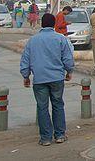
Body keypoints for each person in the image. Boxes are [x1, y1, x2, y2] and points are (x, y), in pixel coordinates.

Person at [20, 13, 74, 146]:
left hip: (39, 79)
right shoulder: (60, 39)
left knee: (42, 107)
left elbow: (25, 60)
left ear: (42, 24)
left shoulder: (32, 40)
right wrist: (69, 72)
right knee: (58, 105)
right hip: (57, 78)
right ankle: (60, 135)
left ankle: (45, 138)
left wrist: (26, 76)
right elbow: (67, 59)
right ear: (54, 24)